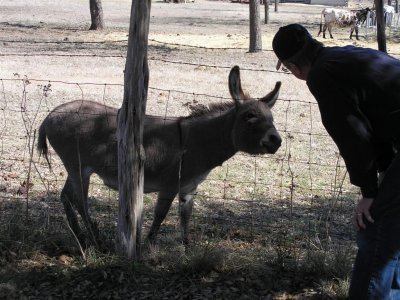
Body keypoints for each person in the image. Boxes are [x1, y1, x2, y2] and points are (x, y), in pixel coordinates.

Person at [272, 23, 400, 299]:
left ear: (293, 68)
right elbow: (378, 118)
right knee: (392, 230)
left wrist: (369, 193)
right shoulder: (344, 57)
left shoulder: (323, 75)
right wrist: (385, 171)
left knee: (375, 230)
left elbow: (353, 135)